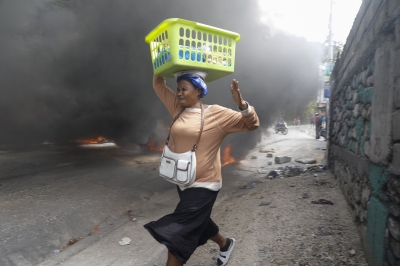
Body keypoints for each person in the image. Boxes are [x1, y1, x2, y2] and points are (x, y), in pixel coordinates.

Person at [144, 74, 259, 266]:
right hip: (183, 180)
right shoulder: (178, 108)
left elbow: (252, 124)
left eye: (184, 89)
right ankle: (225, 244)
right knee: (200, 220)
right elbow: (158, 83)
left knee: (179, 234)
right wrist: (164, 65)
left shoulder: (215, 114)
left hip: (205, 184)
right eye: (178, 88)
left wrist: (242, 105)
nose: (179, 92)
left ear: (198, 91)